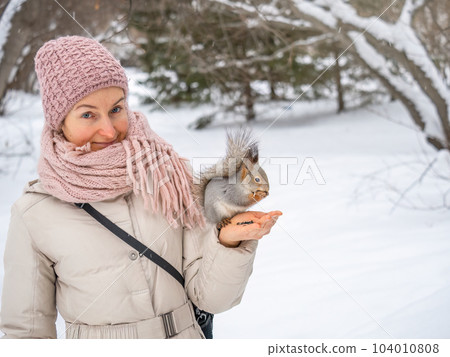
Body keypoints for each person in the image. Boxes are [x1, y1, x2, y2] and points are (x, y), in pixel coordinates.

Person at [0, 36, 281, 339]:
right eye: (87, 114)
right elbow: (25, 334)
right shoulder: (34, 213)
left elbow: (212, 298)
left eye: (117, 109)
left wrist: (227, 243)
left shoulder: (171, 177)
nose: (108, 130)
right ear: (58, 122)